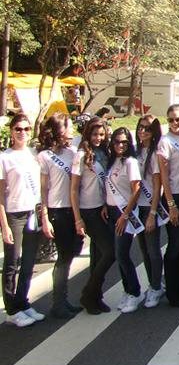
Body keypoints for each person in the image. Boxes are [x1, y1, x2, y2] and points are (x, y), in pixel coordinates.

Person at [36, 114, 84, 319]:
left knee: (74, 249)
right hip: (57, 211)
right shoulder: (45, 156)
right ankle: (58, 302)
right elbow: (43, 190)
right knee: (63, 257)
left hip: (74, 209)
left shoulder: (73, 152)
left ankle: (62, 299)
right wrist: (44, 218)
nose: (72, 129)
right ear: (58, 129)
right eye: (69, 126)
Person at [1, 114, 44, 327]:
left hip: (33, 213)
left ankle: (23, 302)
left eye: (26, 129)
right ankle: (11, 309)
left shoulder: (34, 154)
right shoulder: (4, 157)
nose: (23, 133)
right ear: (11, 131)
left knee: (28, 261)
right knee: (12, 262)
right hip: (14, 214)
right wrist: (4, 225)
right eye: (18, 129)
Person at [72, 118, 114, 315]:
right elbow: (73, 189)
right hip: (88, 210)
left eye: (101, 134)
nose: (98, 138)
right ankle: (88, 294)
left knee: (98, 256)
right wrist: (77, 218)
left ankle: (96, 297)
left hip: (102, 208)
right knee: (110, 252)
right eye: (94, 134)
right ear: (87, 134)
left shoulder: (104, 153)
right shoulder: (81, 155)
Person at [105, 127, 146, 313]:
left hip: (125, 213)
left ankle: (136, 292)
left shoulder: (130, 162)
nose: (120, 145)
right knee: (118, 254)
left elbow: (136, 190)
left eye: (124, 142)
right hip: (112, 212)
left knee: (123, 254)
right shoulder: (112, 161)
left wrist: (125, 215)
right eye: (116, 142)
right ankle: (128, 290)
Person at [157, 104, 179, 307]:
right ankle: (172, 291)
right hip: (174, 198)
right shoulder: (165, 142)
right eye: (170, 120)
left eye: (178, 119)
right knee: (175, 245)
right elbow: (164, 177)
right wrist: (171, 205)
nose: (174, 123)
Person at [134, 115, 166, 309]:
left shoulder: (154, 154)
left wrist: (153, 213)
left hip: (150, 207)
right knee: (144, 250)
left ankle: (156, 287)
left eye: (147, 129)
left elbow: (157, 185)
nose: (143, 131)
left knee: (153, 250)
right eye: (140, 127)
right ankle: (153, 283)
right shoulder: (135, 152)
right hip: (136, 208)